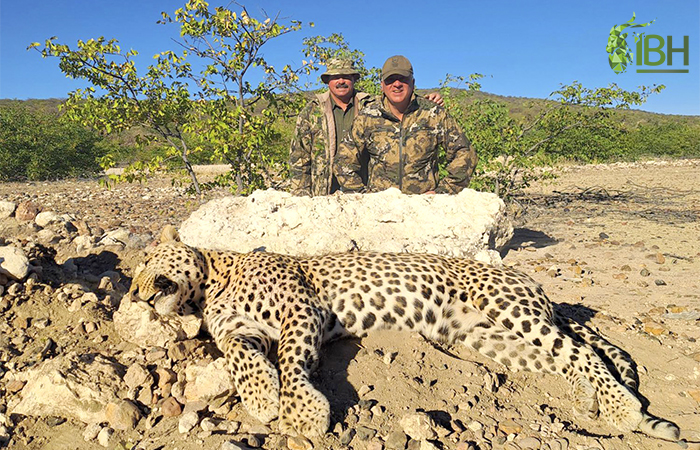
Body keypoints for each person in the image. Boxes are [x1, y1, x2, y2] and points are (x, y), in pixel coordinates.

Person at [289, 58, 444, 196]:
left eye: (346, 77)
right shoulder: (312, 111)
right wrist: (301, 196)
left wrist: (427, 101)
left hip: (363, 192)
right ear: (328, 80)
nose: (341, 81)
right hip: (324, 191)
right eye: (335, 77)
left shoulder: (371, 105)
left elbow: (398, 99)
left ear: (354, 79)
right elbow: (299, 157)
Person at [336, 55, 477, 195]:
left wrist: (443, 192)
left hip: (424, 207)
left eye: (403, 79)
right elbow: (343, 161)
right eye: (390, 80)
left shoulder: (433, 113)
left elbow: (465, 153)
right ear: (382, 85)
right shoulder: (367, 117)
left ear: (413, 82)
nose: (397, 84)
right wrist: (362, 196)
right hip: (381, 208)